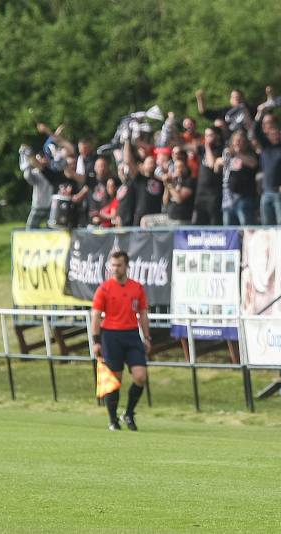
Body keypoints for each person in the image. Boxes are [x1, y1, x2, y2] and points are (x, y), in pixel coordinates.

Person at [91, 251, 151, 431]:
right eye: (113, 265)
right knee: (114, 380)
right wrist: (96, 340)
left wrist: (146, 337)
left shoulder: (137, 288)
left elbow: (143, 314)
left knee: (140, 376)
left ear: (126, 266)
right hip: (110, 336)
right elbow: (95, 315)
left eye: (119, 265)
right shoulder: (104, 288)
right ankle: (112, 419)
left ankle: (129, 413)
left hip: (132, 335)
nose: (115, 268)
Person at [117, 141, 163, 227]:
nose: (152, 165)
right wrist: (127, 141)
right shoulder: (139, 179)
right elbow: (128, 161)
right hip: (139, 220)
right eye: (149, 162)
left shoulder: (160, 181)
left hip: (155, 220)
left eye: (153, 162)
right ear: (142, 165)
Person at [218, 130, 259, 226]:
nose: (237, 143)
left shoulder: (250, 153)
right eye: (235, 140)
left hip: (244, 198)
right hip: (228, 199)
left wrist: (236, 154)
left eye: (240, 140)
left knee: (247, 229)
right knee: (229, 230)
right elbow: (217, 167)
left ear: (245, 142)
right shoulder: (228, 155)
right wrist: (219, 162)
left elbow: (253, 163)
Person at [193, 127, 224, 225]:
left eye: (210, 135)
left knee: (214, 222)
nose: (207, 138)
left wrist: (207, 146)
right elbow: (184, 145)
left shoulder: (221, 149)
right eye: (206, 135)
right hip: (200, 194)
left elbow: (211, 164)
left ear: (217, 136)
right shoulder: (202, 150)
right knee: (199, 223)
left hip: (213, 194)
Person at [19, 145, 54, 228]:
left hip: (51, 207)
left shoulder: (53, 172)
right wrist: (28, 163)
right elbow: (27, 177)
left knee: (52, 231)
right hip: (38, 206)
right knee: (30, 230)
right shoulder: (35, 172)